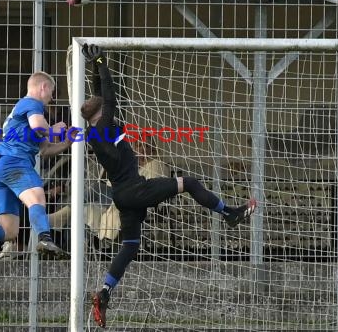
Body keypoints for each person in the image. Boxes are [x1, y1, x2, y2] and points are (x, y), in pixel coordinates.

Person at [79, 44, 257, 328]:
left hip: (123, 196)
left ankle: (104, 292)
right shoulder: (104, 127)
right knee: (188, 182)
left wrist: (94, 68)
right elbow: (109, 98)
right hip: (136, 190)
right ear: (102, 114)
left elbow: (101, 97)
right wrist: (101, 61)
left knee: (130, 245)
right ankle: (229, 214)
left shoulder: (94, 131)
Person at [0, 71, 76, 264]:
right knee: (37, 198)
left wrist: (66, 143)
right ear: (43, 87)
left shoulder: (20, 111)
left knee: (9, 231)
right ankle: (45, 240)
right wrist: (54, 129)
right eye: (51, 92)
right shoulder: (32, 103)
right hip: (15, 164)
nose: (51, 98)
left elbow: (43, 150)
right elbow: (39, 128)